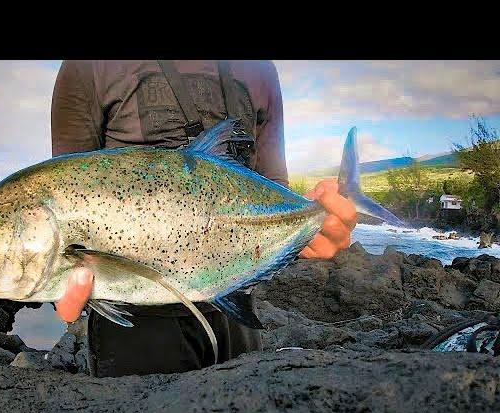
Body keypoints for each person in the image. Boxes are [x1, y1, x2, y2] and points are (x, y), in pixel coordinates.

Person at [50, 60, 357, 377]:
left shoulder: (261, 69)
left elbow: (272, 190)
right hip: (136, 328)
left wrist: (311, 225)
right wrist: (59, 285)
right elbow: (67, 194)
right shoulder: (88, 65)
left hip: (239, 312)